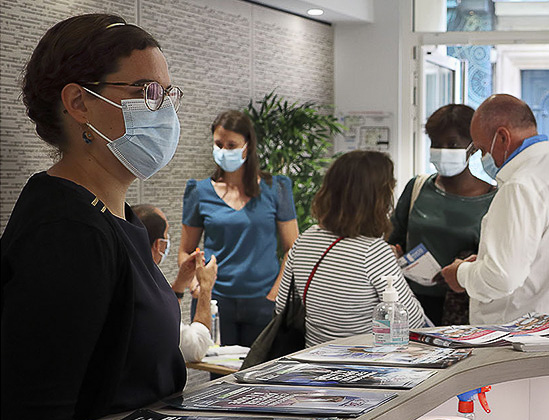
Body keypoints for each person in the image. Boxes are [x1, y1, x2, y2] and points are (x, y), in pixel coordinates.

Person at [1, 14, 186, 420]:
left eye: (167, 93)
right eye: (146, 92)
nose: (165, 110)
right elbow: (33, 419)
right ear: (79, 103)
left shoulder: (119, 217)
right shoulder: (66, 231)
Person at [440, 94, 549, 324]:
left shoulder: (520, 185)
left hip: (517, 337)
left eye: (481, 149)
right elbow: (540, 258)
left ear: (502, 137)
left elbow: (501, 278)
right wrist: (485, 261)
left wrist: (460, 274)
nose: (483, 158)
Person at [275, 150, 427, 346]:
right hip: (365, 366)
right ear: (378, 199)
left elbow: (281, 307)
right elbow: (412, 321)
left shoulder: (304, 240)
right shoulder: (373, 252)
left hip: (313, 362)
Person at [179, 110, 299, 347]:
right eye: (218, 144)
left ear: (248, 146)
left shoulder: (276, 188)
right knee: (219, 377)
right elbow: (186, 251)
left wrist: (274, 294)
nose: (223, 151)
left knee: (262, 376)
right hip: (215, 302)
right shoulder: (199, 191)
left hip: (263, 301)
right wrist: (196, 286)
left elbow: (292, 250)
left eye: (231, 145)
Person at [388, 104, 496, 325]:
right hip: (411, 303)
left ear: (473, 146)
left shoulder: (493, 198)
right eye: (436, 143)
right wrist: (392, 252)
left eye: (452, 144)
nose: (442, 149)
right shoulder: (417, 187)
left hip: (465, 309)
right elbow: (394, 238)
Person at [133, 204, 218, 363]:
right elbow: (196, 347)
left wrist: (179, 285)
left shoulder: (120, 274)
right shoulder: (147, 293)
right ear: (159, 245)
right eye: (167, 235)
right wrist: (205, 286)